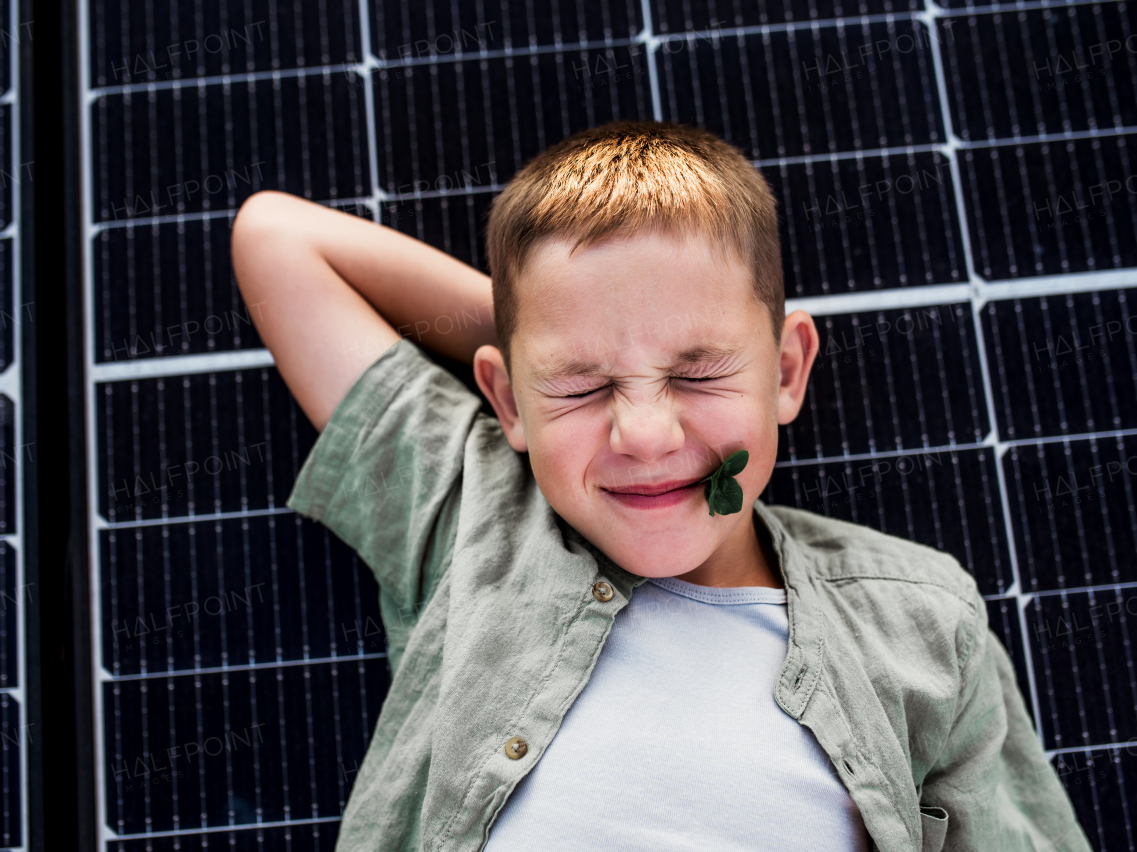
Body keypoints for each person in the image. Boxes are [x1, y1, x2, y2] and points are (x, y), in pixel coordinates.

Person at [230, 121, 1091, 852]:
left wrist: (576, 349)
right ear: (504, 400)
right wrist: (545, 333)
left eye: (700, 371)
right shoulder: (476, 512)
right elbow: (278, 241)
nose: (645, 434)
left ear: (786, 371)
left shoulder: (923, 617)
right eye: (582, 385)